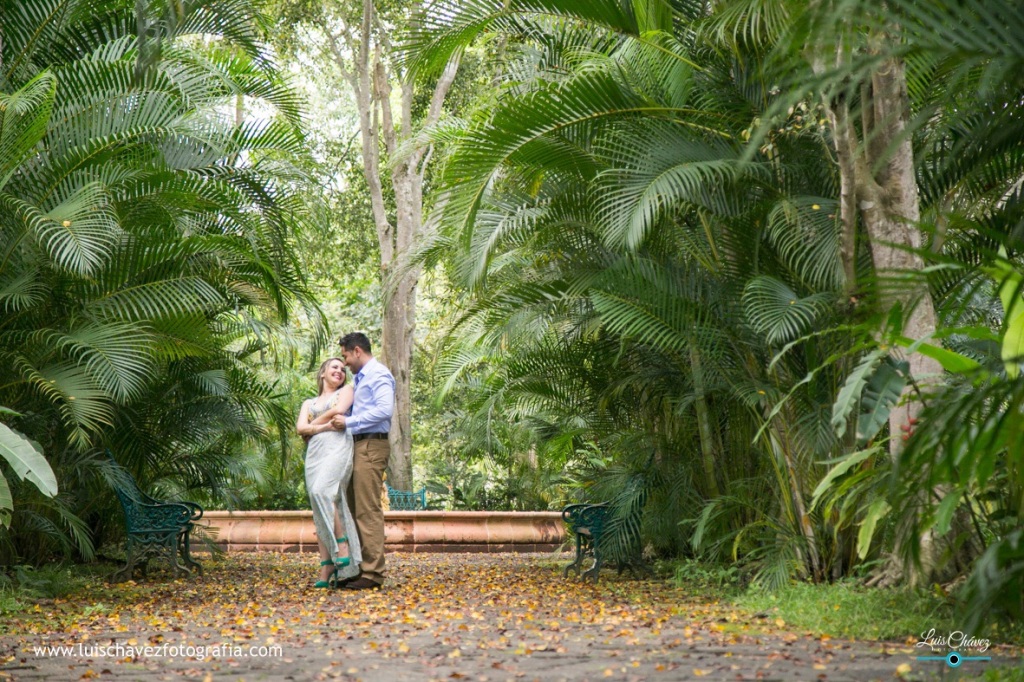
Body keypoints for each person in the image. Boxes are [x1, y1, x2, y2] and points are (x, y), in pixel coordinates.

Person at [331, 332, 395, 591]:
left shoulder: (378, 374)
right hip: (357, 445)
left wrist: (349, 422)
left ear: (357, 351)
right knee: (354, 508)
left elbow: (384, 410)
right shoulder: (361, 379)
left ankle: (373, 573)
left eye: (345, 355)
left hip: (371, 444)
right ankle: (359, 568)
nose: (344, 362)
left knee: (367, 509)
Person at [295, 358, 363, 588]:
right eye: (334, 367)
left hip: (338, 447)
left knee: (322, 491)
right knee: (317, 504)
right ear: (322, 373)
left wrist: (313, 427)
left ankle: (342, 544)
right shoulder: (308, 402)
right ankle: (327, 566)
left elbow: (338, 410)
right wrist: (322, 427)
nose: (339, 371)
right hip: (314, 454)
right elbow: (299, 429)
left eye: (342, 369)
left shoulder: (347, 390)